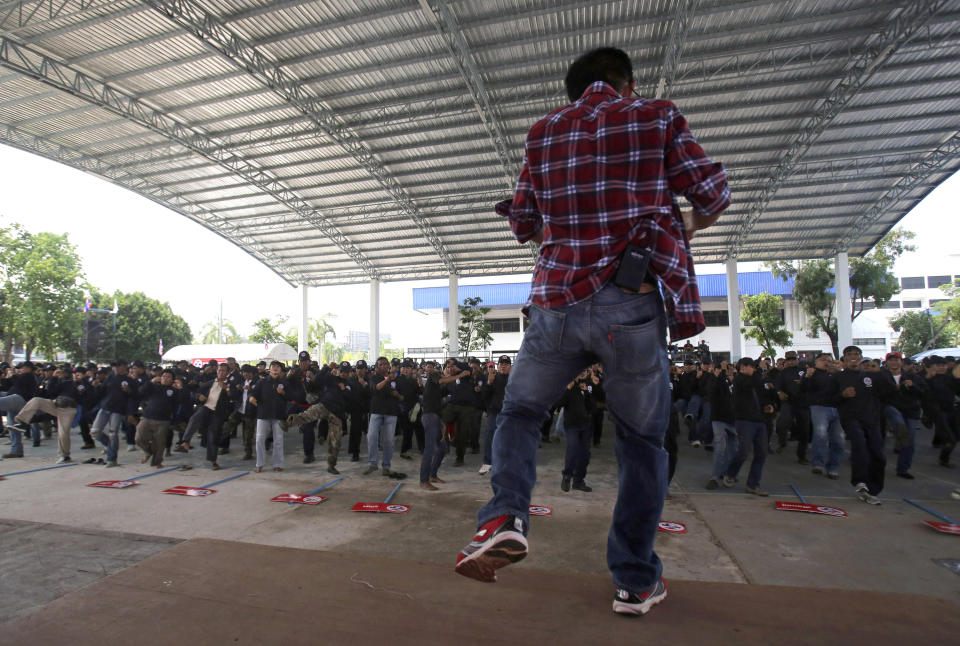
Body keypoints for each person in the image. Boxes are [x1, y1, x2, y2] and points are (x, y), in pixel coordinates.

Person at [454, 46, 729, 619]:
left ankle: (505, 516)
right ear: (625, 83)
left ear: (573, 90)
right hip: (629, 304)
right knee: (641, 441)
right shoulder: (655, 115)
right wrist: (684, 227)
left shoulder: (543, 132)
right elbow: (711, 192)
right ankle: (633, 581)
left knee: (521, 415)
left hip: (555, 303)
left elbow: (524, 223)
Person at [248, 360, 289, 473]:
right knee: (260, 439)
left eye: (278, 367)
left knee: (278, 440)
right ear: (269, 369)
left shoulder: (284, 383)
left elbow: (290, 397)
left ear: (281, 370)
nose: (275, 368)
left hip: (278, 414)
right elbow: (253, 394)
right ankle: (259, 464)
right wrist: (252, 399)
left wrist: (283, 393)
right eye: (273, 366)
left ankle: (278, 464)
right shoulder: (262, 382)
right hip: (263, 414)